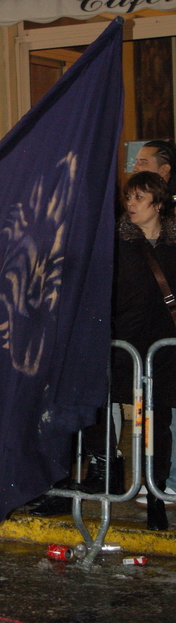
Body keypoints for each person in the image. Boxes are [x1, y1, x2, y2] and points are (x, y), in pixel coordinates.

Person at [114, 172, 176, 529]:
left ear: (158, 203)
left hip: (166, 348)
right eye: (128, 198)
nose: (131, 205)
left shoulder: (172, 244)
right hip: (129, 345)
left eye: (139, 198)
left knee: (160, 423)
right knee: (134, 421)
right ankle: (115, 480)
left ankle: (156, 494)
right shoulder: (118, 242)